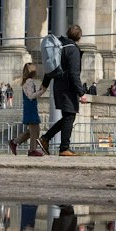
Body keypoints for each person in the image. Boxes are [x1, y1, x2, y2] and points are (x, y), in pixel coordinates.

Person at [39, 23, 85, 157]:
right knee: (69, 116)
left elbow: (50, 66)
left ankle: (46, 139)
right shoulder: (73, 50)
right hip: (68, 88)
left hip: (58, 86)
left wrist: (45, 84)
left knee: (67, 117)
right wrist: (81, 93)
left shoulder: (59, 46)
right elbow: (74, 73)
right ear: (79, 37)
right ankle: (64, 147)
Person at [9, 62, 44, 156]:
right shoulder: (29, 81)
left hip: (29, 107)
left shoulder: (27, 81)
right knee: (35, 130)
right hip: (30, 108)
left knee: (32, 130)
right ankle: (32, 150)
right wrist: (41, 92)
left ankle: (15, 142)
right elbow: (30, 96)